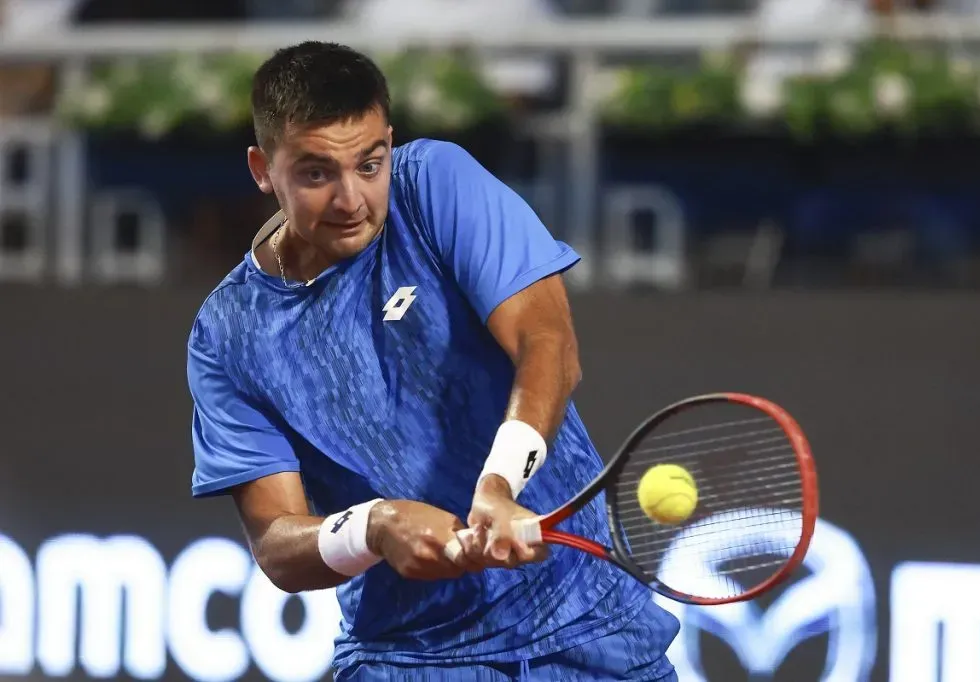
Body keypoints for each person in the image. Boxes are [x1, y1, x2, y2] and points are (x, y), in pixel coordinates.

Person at [186, 41, 679, 681]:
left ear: (390, 141)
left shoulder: (434, 185)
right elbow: (277, 546)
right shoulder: (228, 331)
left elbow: (548, 343)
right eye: (315, 174)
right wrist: (373, 526)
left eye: (370, 163)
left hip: (590, 629)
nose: (351, 199)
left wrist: (499, 483)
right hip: (407, 660)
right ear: (262, 169)